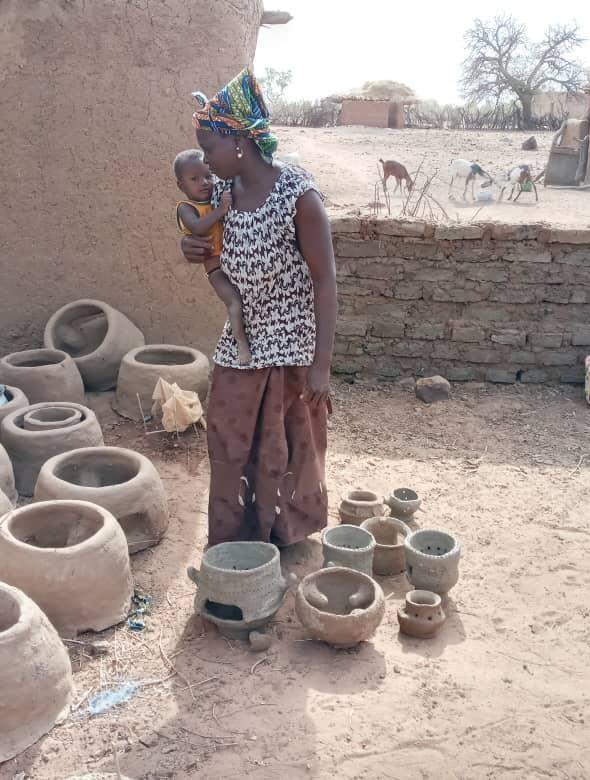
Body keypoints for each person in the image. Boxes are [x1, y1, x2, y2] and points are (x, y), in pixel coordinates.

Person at [179, 68, 337, 547]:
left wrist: (321, 366)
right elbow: (216, 258)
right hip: (243, 342)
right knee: (228, 440)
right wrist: (196, 252)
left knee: (283, 449)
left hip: (291, 348)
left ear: (240, 142)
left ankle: (282, 539)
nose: (204, 161)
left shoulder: (298, 196)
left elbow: (326, 280)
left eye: (209, 148)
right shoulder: (224, 196)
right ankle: (238, 537)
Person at [173, 149, 252, 365]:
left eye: (208, 176)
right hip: (216, 269)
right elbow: (198, 228)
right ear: (181, 186)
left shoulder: (219, 195)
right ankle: (241, 344)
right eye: (194, 179)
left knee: (246, 302)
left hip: (235, 265)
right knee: (234, 304)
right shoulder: (186, 208)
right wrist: (221, 210)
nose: (204, 182)